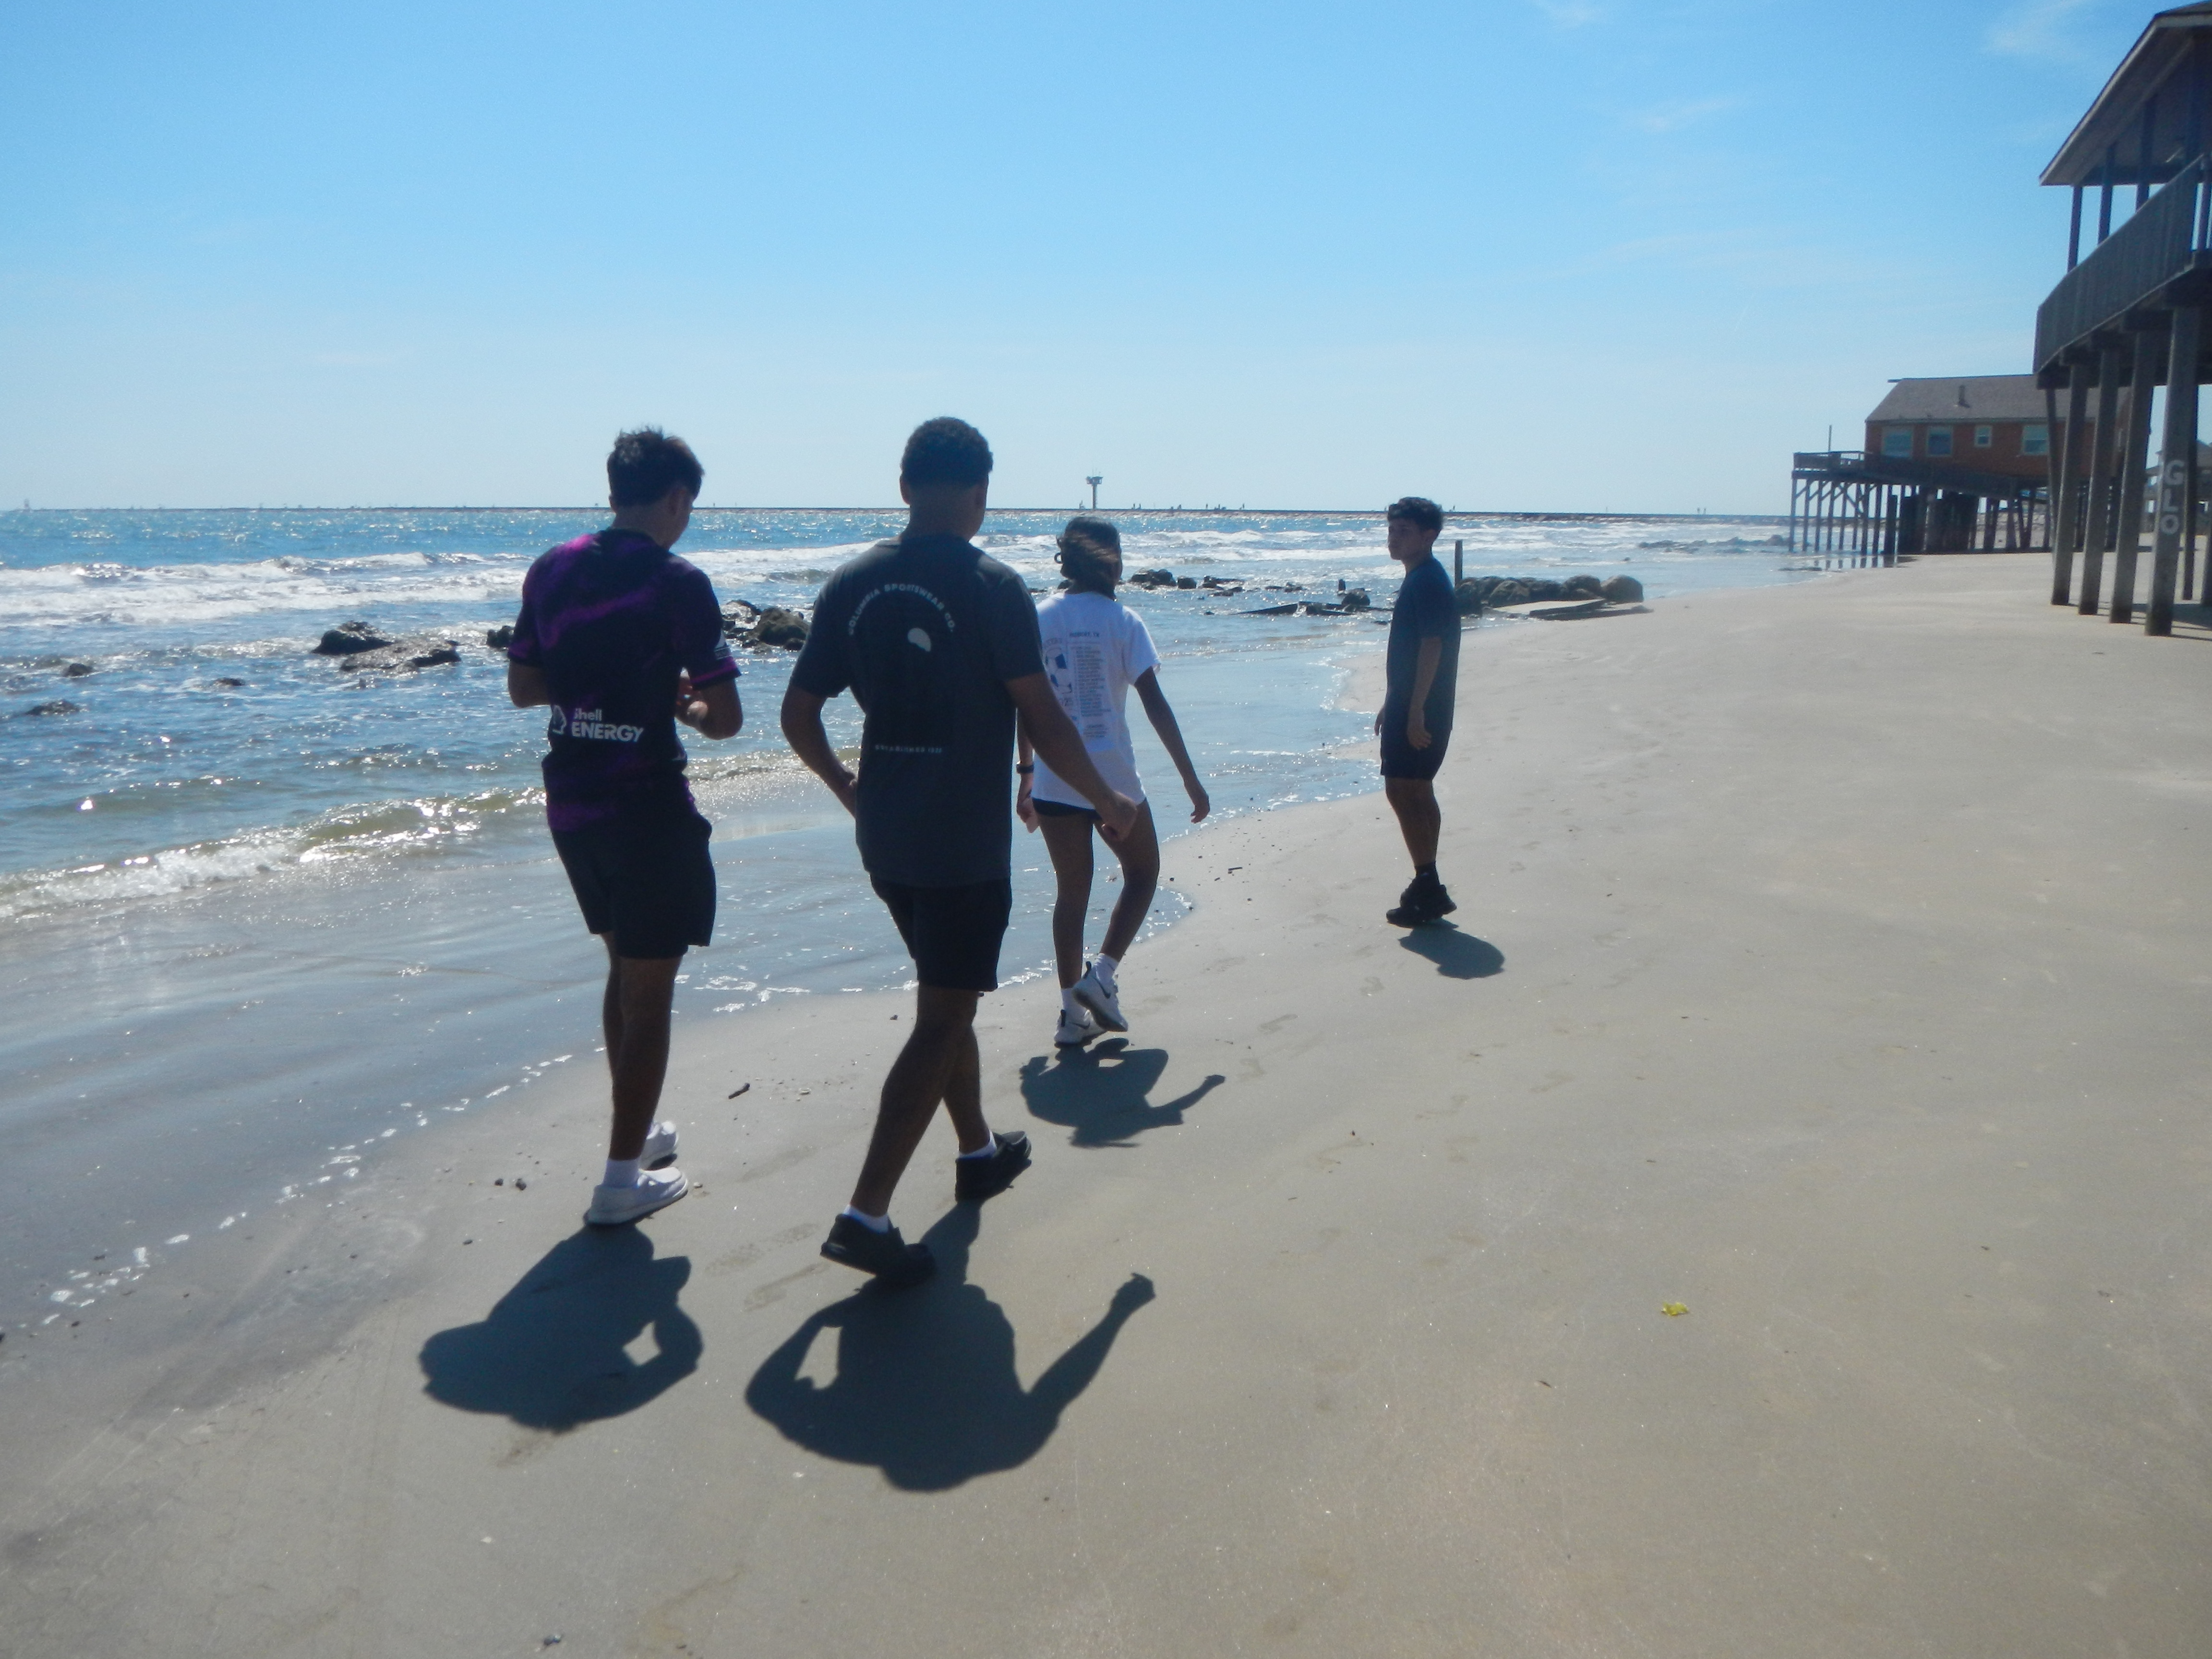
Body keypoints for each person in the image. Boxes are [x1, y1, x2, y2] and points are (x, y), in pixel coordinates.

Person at [781, 418, 1138, 1287]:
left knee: (949, 992)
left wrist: (850, 791)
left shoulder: (851, 583)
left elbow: (798, 714)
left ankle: (978, 1149)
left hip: (886, 838)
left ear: (904, 487)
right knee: (943, 1013)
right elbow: (1044, 719)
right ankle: (864, 1214)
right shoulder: (991, 585)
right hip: (959, 844)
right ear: (979, 494)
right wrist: (1107, 799)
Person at [505, 429, 742, 1226]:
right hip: (645, 804)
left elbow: (523, 686)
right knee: (650, 991)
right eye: (689, 509)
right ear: (675, 499)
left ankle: (632, 1140)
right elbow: (726, 719)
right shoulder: (678, 582)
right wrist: (684, 703)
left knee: (624, 971)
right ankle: (617, 1181)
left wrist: (594, 683)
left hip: (571, 800)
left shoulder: (553, 567)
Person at [1015, 516, 1209, 1048]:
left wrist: (1027, 774)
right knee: (1143, 873)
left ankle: (1071, 1018)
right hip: (1115, 782)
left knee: (1071, 894)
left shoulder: (1040, 618)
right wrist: (1190, 779)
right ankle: (1101, 976)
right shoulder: (1125, 621)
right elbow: (1157, 707)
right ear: (1113, 561)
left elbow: (1026, 707)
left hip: (1056, 781)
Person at [1375, 495, 1460, 926]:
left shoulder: (1427, 581)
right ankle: (1427, 883)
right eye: (1391, 530)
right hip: (1417, 704)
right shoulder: (1423, 578)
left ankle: (1427, 883)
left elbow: (1432, 647)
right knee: (1415, 789)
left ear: (1428, 536)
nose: (1394, 538)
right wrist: (1393, 704)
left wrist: (1414, 713)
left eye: (1403, 531)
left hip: (1423, 709)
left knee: (1403, 789)